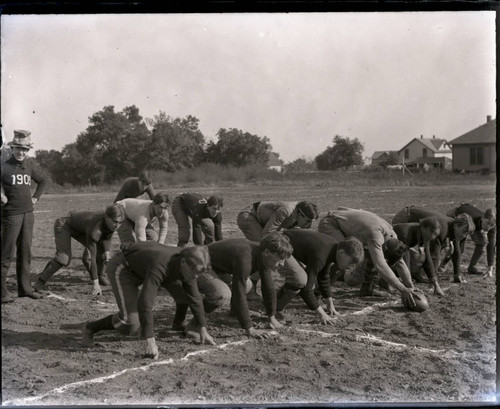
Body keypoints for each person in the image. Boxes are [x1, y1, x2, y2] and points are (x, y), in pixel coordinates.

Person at [82, 242, 230, 359]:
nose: (196, 276)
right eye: (195, 271)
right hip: (124, 269)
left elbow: (195, 297)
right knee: (130, 324)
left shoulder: (187, 266)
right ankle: (91, 327)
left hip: (146, 267)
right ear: (184, 263)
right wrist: (150, 341)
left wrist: (202, 327)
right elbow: (145, 302)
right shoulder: (162, 264)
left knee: (184, 295)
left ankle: (178, 324)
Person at [318, 207, 416, 309]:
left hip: (345, 221)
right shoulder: (376, 237)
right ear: (384, 247)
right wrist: (402, 289)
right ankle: (318, 293)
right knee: (341, 258)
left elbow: (400, 262)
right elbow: (380, 265)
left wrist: (410, 286)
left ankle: (367, 289)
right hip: (331, 223)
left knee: (370, 255)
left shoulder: (392, 238)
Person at [206, 232, 295, 339]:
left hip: (219, 266)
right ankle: (196, 322)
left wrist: (272, 316)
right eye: (280, 258)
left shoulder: (263, 255)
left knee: (247, 286)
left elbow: (268, 286)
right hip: (199, 262)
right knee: (223, 293)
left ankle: (234, 311)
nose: (282, 264)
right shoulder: (245, 259)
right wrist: (250, 328)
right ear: (267, 252)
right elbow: (239, 292)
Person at [34, 204, 125, 296]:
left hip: (81, 228)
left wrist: (107, 252)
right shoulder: (95, 229)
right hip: (65, 224)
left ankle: (100, 275)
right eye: (115, 222)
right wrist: (95, 284)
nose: (118, 225)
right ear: (107, 217)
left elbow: (107, 236)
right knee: (63, 258)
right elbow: (91, 257)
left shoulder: (109, 222)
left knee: (102, 253)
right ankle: (40, 282)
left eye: (120, 223)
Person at [277, 230, 365, 324]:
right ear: (342, 252)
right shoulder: (321, 255)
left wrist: (330, 304)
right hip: (279, 244)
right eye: (350, 262)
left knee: (301, 278)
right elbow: (306, 289)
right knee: (300, 279)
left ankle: (275, 302)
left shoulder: (333, 248)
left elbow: (323, 276)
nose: (350, 267)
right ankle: (276, 310)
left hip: (284, 242)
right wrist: (321, 314)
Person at [1, 130, 47, 303]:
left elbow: (43, 181)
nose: (21, 152)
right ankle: (2, 292)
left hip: (28, 214)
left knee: (25, 252)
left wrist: (35, 198)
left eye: (25, 149)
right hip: (10, 215)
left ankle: (25, 288)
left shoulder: (28, 165)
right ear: (12, 148)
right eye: (18, 148)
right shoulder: (4, 166)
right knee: (6, 253)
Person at [236, 200, 318, 296]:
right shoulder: (286, 210)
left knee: (276, 247)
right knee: (267, 249)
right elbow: (268, 235)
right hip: (249, 217)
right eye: (308, 221)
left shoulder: (298, 212)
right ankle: (248, 287)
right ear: (300, 214)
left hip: (265, 221)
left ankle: (251, 284)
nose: (309, 225)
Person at [392, 206, 475, 283]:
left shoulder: (455, 228)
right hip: (406, 218)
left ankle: (412, 273)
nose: (465, 236)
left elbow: (457, 252)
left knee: (422, 258)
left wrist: (457, 274)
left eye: (467, 234)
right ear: (456, 226)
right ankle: (397, 273)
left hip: (416, 224)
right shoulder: (443, 229)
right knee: (404, 254)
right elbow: (434, 255)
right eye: (464, 232)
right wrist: (433, 278)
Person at [392, 217, 446, 295]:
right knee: (407, 262)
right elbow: (404, 260)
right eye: (433, 233)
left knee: (420, 257)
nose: (433, 238)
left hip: (397, 249)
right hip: (385, 248)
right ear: (424, 228)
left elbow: (428, 259)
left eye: (436, 235)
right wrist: (410, 287)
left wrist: (436, 285)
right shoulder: (406, 234)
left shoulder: (422, 234)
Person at [446, 204, 496, 277]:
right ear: (482, 218)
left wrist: (490, 269)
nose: (488, 227)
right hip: (457, 214)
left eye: (491, 225)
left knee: (482, 243)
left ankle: (472, 267)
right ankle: (443, 264)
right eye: (487, 223)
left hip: (475, 224)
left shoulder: (492, 226)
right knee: (459, 246)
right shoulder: (471, 218)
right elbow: (459, 235)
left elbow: (491, 245)